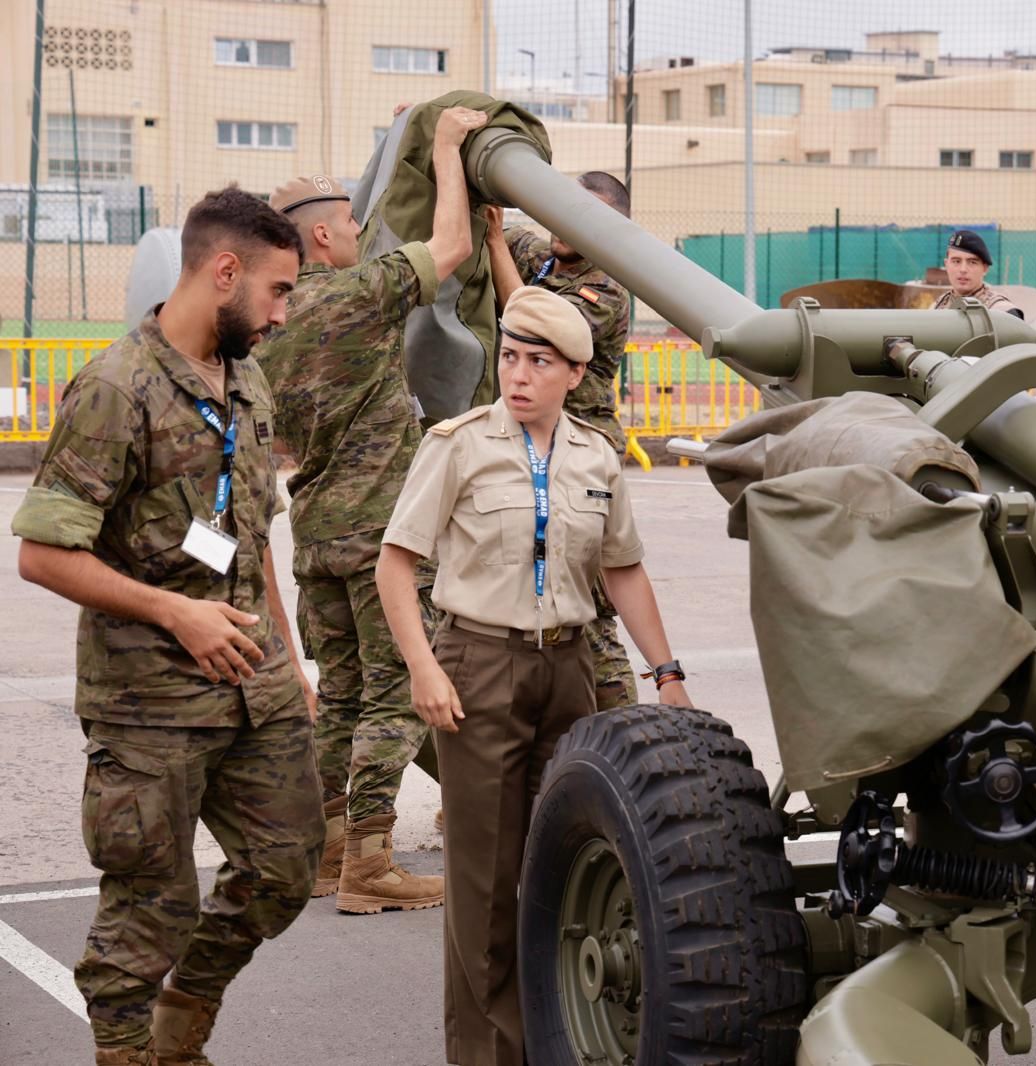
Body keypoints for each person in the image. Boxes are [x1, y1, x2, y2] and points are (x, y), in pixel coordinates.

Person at [12, 187, 320, 1066]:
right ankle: (133, 1053)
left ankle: (184, 1013)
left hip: (253, 684)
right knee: (148, 908)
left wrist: (288, 661)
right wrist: (173, 610)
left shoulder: (245, 376)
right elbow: (42, 554)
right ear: (224, 273)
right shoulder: (117, 389)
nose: (282, 314)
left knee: (286, 870)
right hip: (148, 702)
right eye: (277, 291)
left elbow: (247, 533)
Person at [374, 285, 691, 1066]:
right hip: (478, 665)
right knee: (483, 885)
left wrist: (668, 672)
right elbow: (396, 560)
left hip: (569, 671)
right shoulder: (458, 443)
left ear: (575, 374)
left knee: (561, 869)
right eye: (510, 357)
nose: (518, 375)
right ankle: (486, 1056)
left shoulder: (595, 455)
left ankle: (560, 1036)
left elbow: (623, 570)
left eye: (538, 362)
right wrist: (422, 666)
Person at [254, 105, 486, 915]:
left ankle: (324, 851)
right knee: (394, 692)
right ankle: (372, 862)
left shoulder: (268, 321)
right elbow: (451, 248)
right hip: (379, 535)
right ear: (321, 238)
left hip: (314, 534)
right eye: (351, 219)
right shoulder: (355, 295)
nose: (359, 230)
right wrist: (450, 149)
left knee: (344, 694)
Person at [484, 171, 640, 713]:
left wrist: (494, 245)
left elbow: (531, 325)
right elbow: (495, 223)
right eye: (562, 208)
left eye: (582, 215)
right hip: (531, 452)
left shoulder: (606, 288)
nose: (563, 222)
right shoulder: (548, 252)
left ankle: (632, 737)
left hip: (581, 459)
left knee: (589, 612)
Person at [932, 229, 1023, 317]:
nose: (963, 269)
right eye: (956, 261)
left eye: (972, 262)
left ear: (985, 269)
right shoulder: (938, 306)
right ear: (946, 265)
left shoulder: (1002, 312)